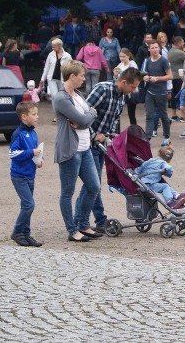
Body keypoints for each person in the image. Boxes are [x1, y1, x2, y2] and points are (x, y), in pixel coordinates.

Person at [78, 66, 143, 234]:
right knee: (92, 185)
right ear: (123, 82)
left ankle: (94, 220)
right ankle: (84, 222)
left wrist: (113, 135)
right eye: (133, 86)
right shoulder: (102, 89)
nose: (134, 90)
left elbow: (114, 119)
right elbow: (82, 114)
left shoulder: (122, 97)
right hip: (88, 144)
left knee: (93, 184)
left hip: (102, 145)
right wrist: (94, 135)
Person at [53, 60, 103, 242]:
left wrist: (87, 116)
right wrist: (90, 115)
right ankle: (72, 229)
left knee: (94, 186)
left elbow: (84, 119)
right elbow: (83, 119)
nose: (84, 79)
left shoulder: (79, 94)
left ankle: (82, 223)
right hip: (70, 150)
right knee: (68, 191)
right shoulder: (61, 98)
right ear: (72, 76)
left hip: (85, 147)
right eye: (81, 75)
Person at [8, 101, 43, 247]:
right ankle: (17, 232)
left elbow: (35, 152)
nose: (37, 117)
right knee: (29, 205)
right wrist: (31, 153)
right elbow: (13, 153)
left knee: (26, 206)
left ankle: (26, 234)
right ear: (24, 117)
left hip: (30, 175)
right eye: (34, 114)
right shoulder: (19, 134)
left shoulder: (33, 133)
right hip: (19, 176)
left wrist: (39, 160)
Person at [142, 41, 173, 146]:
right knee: (149, 115)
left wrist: (157, 78)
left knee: (163, 115)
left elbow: (170, 76)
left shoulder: (164, 61)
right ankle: (148, 137)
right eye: (153, 48)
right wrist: (145, 77)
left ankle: (166, 136)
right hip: (150, 91)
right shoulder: (147, 61)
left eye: (156, 47)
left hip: (161, 92)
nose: (155, 50)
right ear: (149, 49)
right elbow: (144, 73)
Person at [41, 38, 72, 112]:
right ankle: (57, 114)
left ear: (59, 46)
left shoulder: (67, 56)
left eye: (54, 46)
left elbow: (71, 68)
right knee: (54, 96)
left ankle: (62, 113)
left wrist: (69, 80)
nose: (52, 48)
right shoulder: (50, 55)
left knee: (62, 97)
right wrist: (42, 79)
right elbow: (46, 67)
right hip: (51, 79)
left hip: (63, 80)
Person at [113, 49, 139, 126]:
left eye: (123, 56)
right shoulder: (120, 65)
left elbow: (135, 77)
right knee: (117, 112)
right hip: (121, 91)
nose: (121, 58)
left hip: (131, 92)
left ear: (128, 56)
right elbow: (116, 79)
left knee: (131, 114)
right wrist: (115, 74)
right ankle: (116, 132)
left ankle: (134, 130)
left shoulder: (132, 64)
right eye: (120, 56)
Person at [167, 36, 185, 121]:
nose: (184, 43)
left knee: (174, 96)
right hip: (179, 77)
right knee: (181, 96)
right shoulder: (180, 53)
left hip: (172, 76)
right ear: (178, 43)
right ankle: (183, 115)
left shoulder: (170, 51)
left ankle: (174, 115)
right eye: (182, 42)